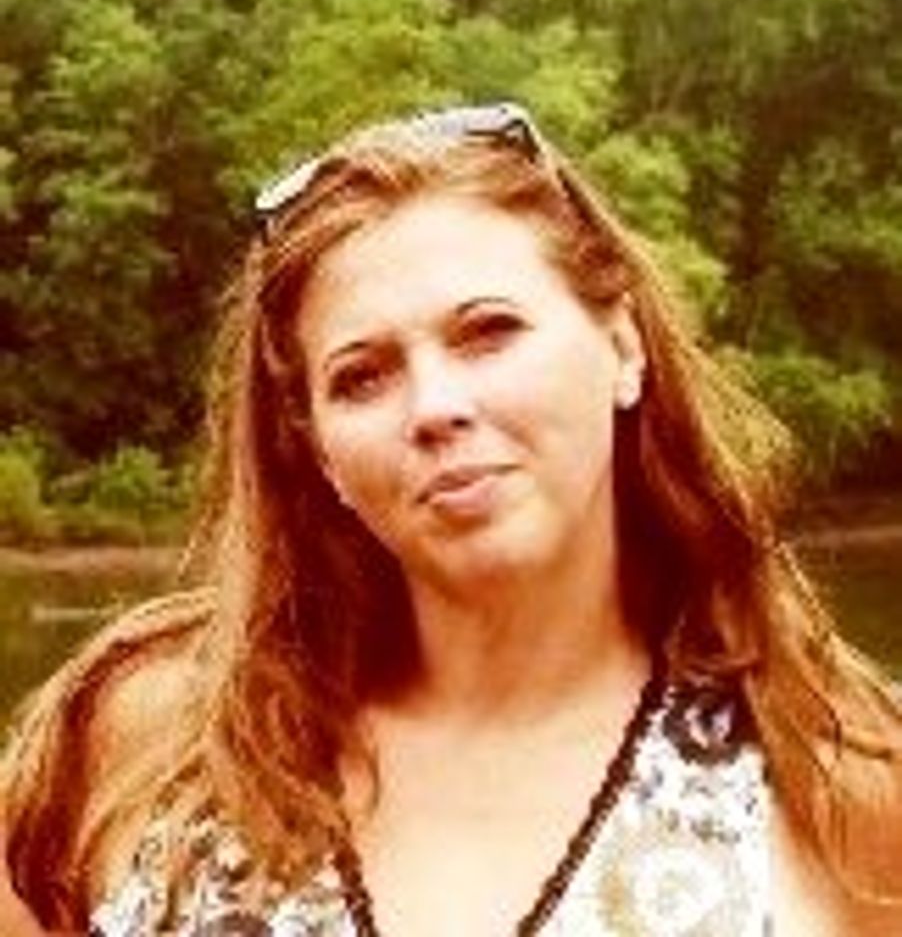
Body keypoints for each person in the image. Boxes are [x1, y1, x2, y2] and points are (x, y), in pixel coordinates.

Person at [1, 102, 900, 936]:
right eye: (361, 377)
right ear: (320, 453)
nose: (434, 407)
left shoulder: (848, 789)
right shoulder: (155, 738)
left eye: (489, 332)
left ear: (623, 347)